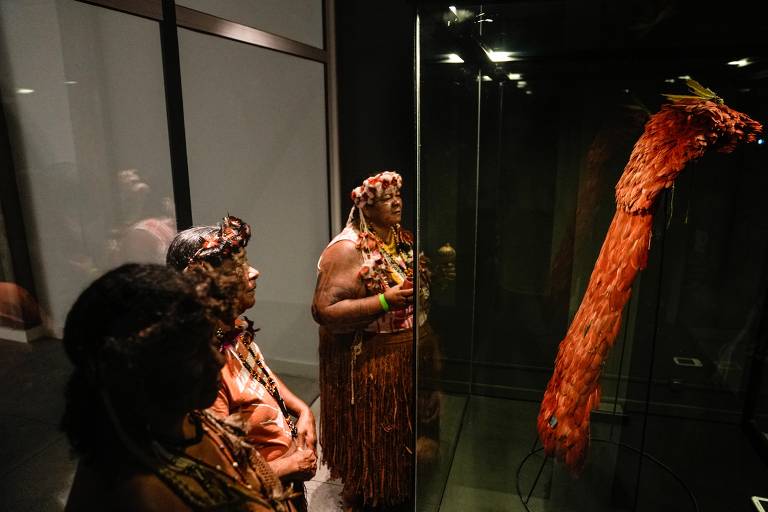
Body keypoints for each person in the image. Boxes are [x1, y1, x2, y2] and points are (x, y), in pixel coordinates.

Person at [61, 263, 295, 511]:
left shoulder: (187, 420)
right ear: (141, 372)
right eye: (195, 353)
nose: (218, 360)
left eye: (211, 342)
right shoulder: (142, 494)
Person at [166, 216, 317, 510]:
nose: (254, 272)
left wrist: (301, 409)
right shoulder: (202, 370)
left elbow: (259, 374)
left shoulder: (230, 329)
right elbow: (212, 481)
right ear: (203, 286)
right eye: (237, 269)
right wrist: (287, 467)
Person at [312, 170, 438, 510]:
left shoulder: (399, 237)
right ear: (366, 208)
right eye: (385, 198)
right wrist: (383, 301)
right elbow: (324, 310)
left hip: (407, 352)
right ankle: (369, 491)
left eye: (397, 195)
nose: (396, 201)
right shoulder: (346, 249)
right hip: (374, 359)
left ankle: (397, 486)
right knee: (376, 435)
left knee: (402, 430)